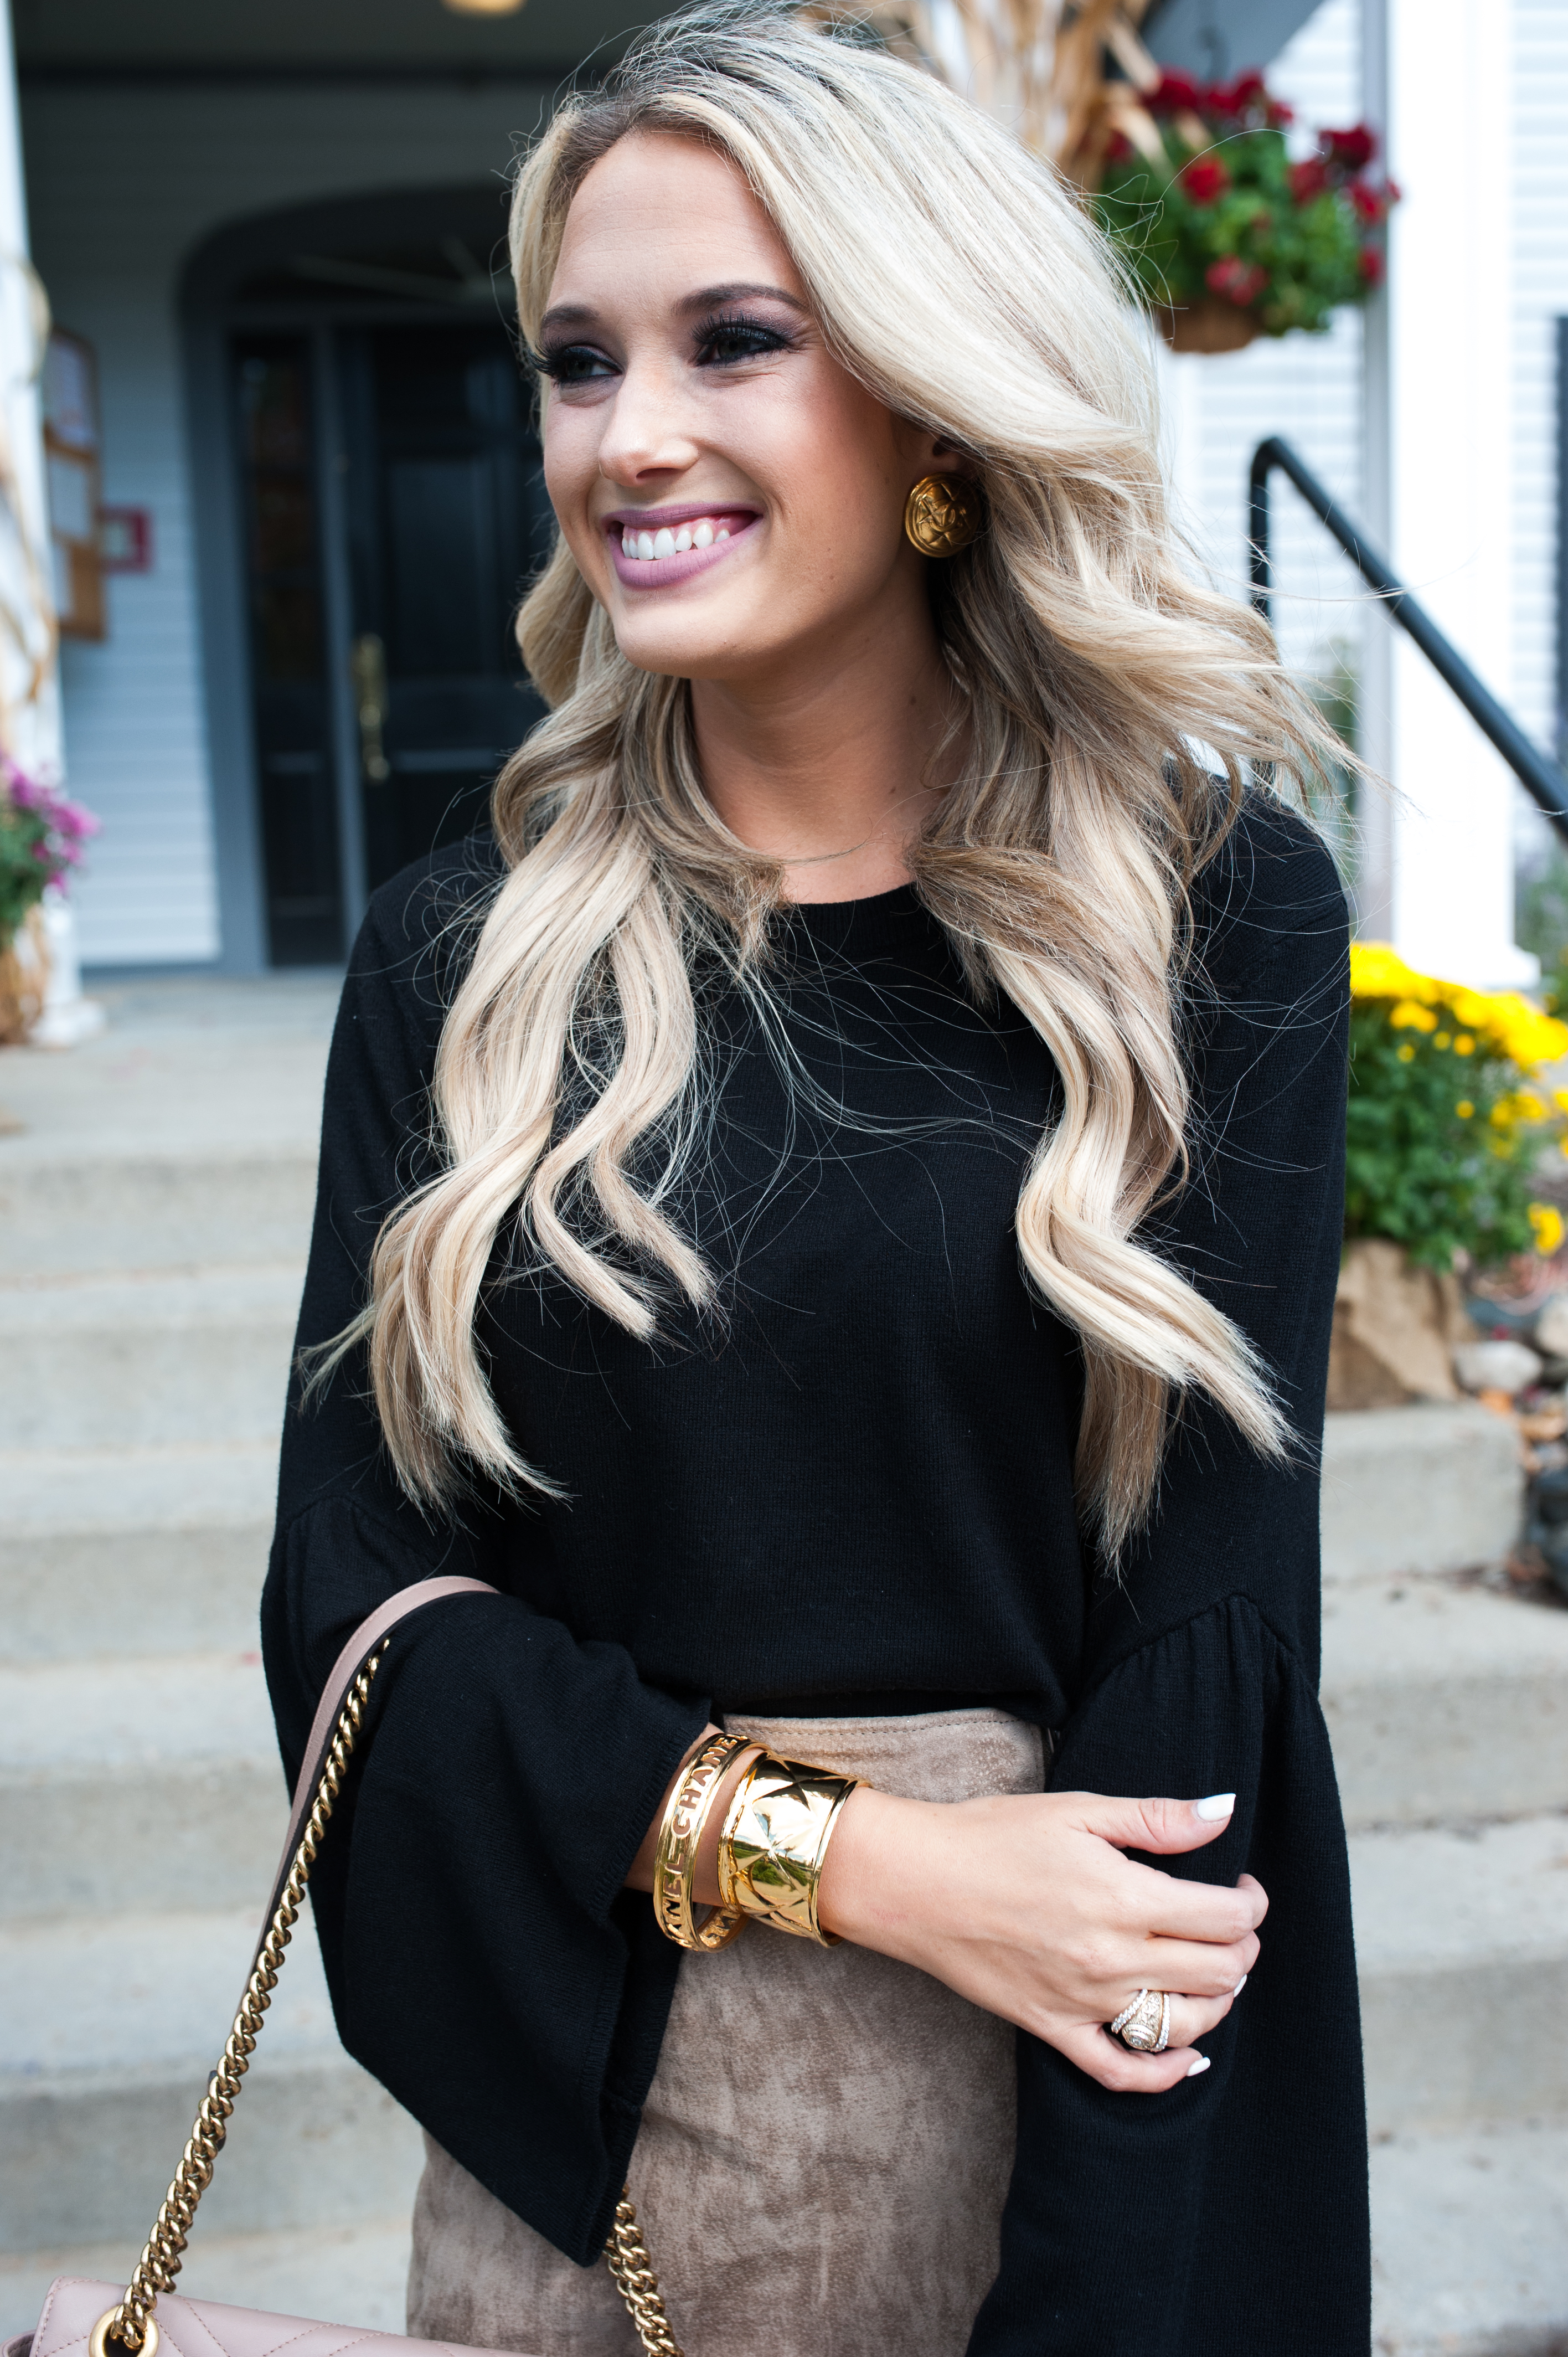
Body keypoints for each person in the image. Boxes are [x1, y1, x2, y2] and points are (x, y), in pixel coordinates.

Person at [262, 8, 1366, 2352]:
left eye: (733, 343)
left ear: (936, 402)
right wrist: (863, 1857)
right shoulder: (464, 961)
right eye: (576, 360)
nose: (625, 436)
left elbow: (1206, 1656)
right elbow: (355, 1619)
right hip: (610, 2153)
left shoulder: (1205, 917)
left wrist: (1094, 2290)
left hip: (1075, 2110)